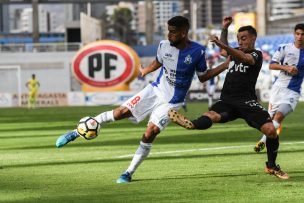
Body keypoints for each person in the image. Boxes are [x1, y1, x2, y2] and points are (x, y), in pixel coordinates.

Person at [55, 16, 230, 183]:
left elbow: (203, 76)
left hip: (173, 100)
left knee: (150, 132)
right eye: (168, 31)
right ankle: (76, 132)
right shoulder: (163, 45)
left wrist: (224, 65)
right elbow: (158, 62)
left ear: (183, 33)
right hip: (154, 90)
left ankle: (128, 173)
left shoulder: (198, 51)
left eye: (173, 32)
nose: (169, 35)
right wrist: (146, 70)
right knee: (120, 112)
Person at [169, 16, 289, 179]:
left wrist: (222, 44)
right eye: (238, 39)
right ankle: (192, 124)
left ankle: (271, 166)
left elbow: (242, 57)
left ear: (253, 38)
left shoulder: (256, 54)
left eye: (244, 38)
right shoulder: (234, 53)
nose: (240, 42)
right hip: (227, 100)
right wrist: (224, 29)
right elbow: (226, 52)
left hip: (247, 102)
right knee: (211, 115)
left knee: (270, 131)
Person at [254, 23, 304, 153]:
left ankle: (262, 141)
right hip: (278, 89)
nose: (300, 37)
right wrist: (286, 67)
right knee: (269, 121)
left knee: (279, 117)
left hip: (293, 91)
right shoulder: (284, 48)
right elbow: (272, 65)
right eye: (298, 34)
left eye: (303, 34)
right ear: (294, 34)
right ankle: (273, 134)